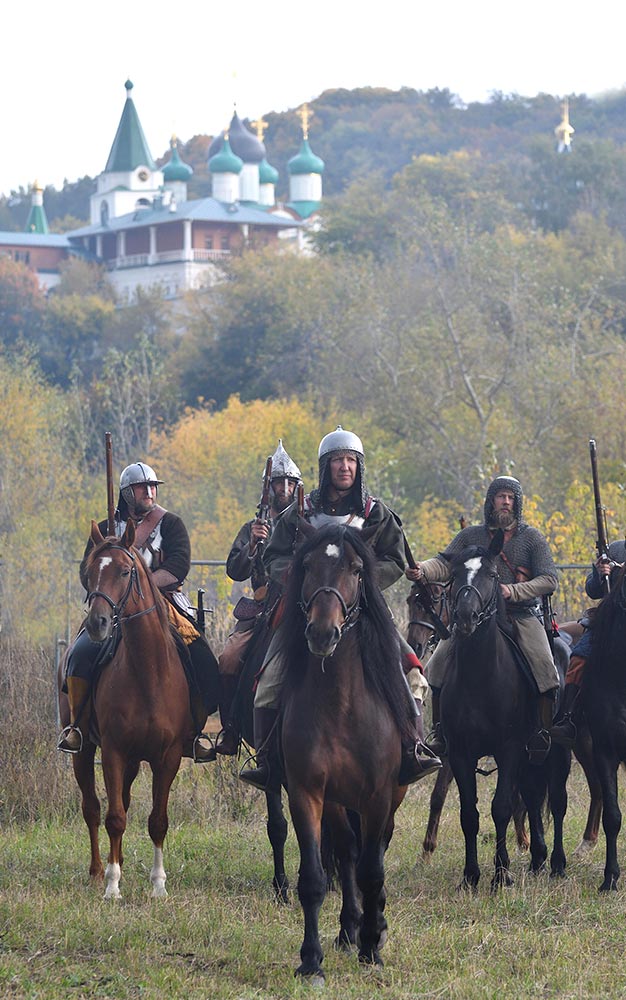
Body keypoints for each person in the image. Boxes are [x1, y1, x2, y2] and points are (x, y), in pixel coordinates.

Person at [239, 426, 443, 791]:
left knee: (413, 674)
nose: (345, 467)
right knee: (268, 681)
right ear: (326, 466)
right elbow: (274, 556)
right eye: (338, 460)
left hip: (364, 609)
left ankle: (413, 748)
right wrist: (303, 578)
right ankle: (266, 761)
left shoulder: (375, 513)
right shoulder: (302, 510)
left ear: (359, 465)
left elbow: (396, 559)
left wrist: (360, 582)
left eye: (351, 460)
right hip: (307, 610)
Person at [57, 461, 219, 761]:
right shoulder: (105, 529)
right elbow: (86, 570)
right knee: (78, 655)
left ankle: (195, 732)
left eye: (152, 486)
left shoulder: (171, 524)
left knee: (203, 660)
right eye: (142, 487)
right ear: (127, 493)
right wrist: (110, 585)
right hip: (112, 606)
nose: (149, 492)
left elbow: (179, 565)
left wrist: (143, 588)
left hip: (165, 604)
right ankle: (77, 725)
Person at [407, 475, 560, 765]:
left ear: (517, 503)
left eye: (510, 498)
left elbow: (549, 579)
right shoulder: (470, 536)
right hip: (473, 617)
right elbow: (444, 564)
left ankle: (541, 730)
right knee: (435, 667)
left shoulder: (531, 538)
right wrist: (421, 570)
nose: (505, 502)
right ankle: (441, 732)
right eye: (501, 497)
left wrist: (513, 591)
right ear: (491, 502)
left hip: (520, 614)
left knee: (546, 669)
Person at [204, 440, 302, 760]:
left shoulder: (305, 524)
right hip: (262, 606)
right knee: (229, 659)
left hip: (299, 604)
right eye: (279, 483)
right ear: (268, 487)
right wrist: (252, 546)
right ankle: (231, 728)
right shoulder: (253, 527)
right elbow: (234, 570)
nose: (284, 488)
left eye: (290, 483)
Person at [550, 539, 625, 747]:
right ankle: (569, 718)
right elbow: (592, 590)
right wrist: (601, 574)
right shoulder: (614, 550)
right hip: (610, 623)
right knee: (578, 658)